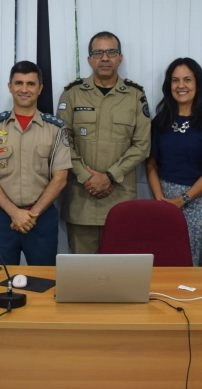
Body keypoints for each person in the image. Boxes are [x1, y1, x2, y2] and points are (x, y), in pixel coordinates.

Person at [56, 31, 151, 253]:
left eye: (111, 52)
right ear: (89, 59)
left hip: (120, 201)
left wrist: (109, 176)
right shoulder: (72, 94)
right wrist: (87, 176)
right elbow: (62, 141)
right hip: (82, 201)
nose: (105, 58)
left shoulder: (135, 96)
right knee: (84, 275)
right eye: (98, 53)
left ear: (120, 57)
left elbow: (142, 145)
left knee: (119, 277)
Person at [0, 61, 72, 265]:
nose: (24, 89)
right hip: (1, 217)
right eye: (18, 83)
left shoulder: (55, 128)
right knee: (0, 282)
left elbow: (60, 178)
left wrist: (31, 214)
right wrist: (15, 213)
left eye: (30, 84)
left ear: (40, 88)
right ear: (9, 86)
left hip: (41, 217)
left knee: (45, 281)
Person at [146, 58, 202, 266]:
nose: (181, 86)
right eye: (175, 80)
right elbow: (150, 165)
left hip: (198, 201)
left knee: (193, 265)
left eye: (187, 80)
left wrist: (182, 199)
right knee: (165, 259)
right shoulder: (159, 122)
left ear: (198, 84)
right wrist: (160, 200)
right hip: (163, 199)